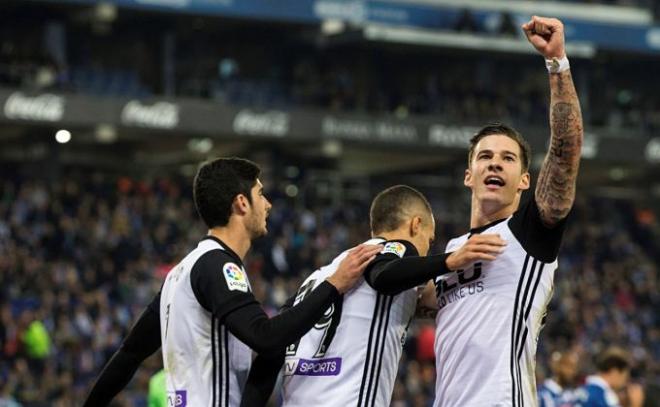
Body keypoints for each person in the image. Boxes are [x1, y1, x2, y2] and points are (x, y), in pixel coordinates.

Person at [83, 157, 381, 407]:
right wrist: (334, 284)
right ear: (241, 203)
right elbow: (265, 337)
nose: (268, 205)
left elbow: (130, 354)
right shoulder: (219, 266)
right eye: (261, 194)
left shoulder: (181, 273)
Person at [425, 15, 584, 406]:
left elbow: (564, 154)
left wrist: (557, 63)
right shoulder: (453, 250)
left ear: (525, 181)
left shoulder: (529, 232)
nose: (495, 164)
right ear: (469, 175)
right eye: (486, 156)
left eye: (508, 159)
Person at [241, 185, 505, 407]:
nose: (426, 249)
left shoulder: (320, 276)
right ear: (416, 225)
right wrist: (449, 260)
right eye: (430, 240)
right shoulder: (397, 248)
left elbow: (272, 351)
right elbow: (383, 276)